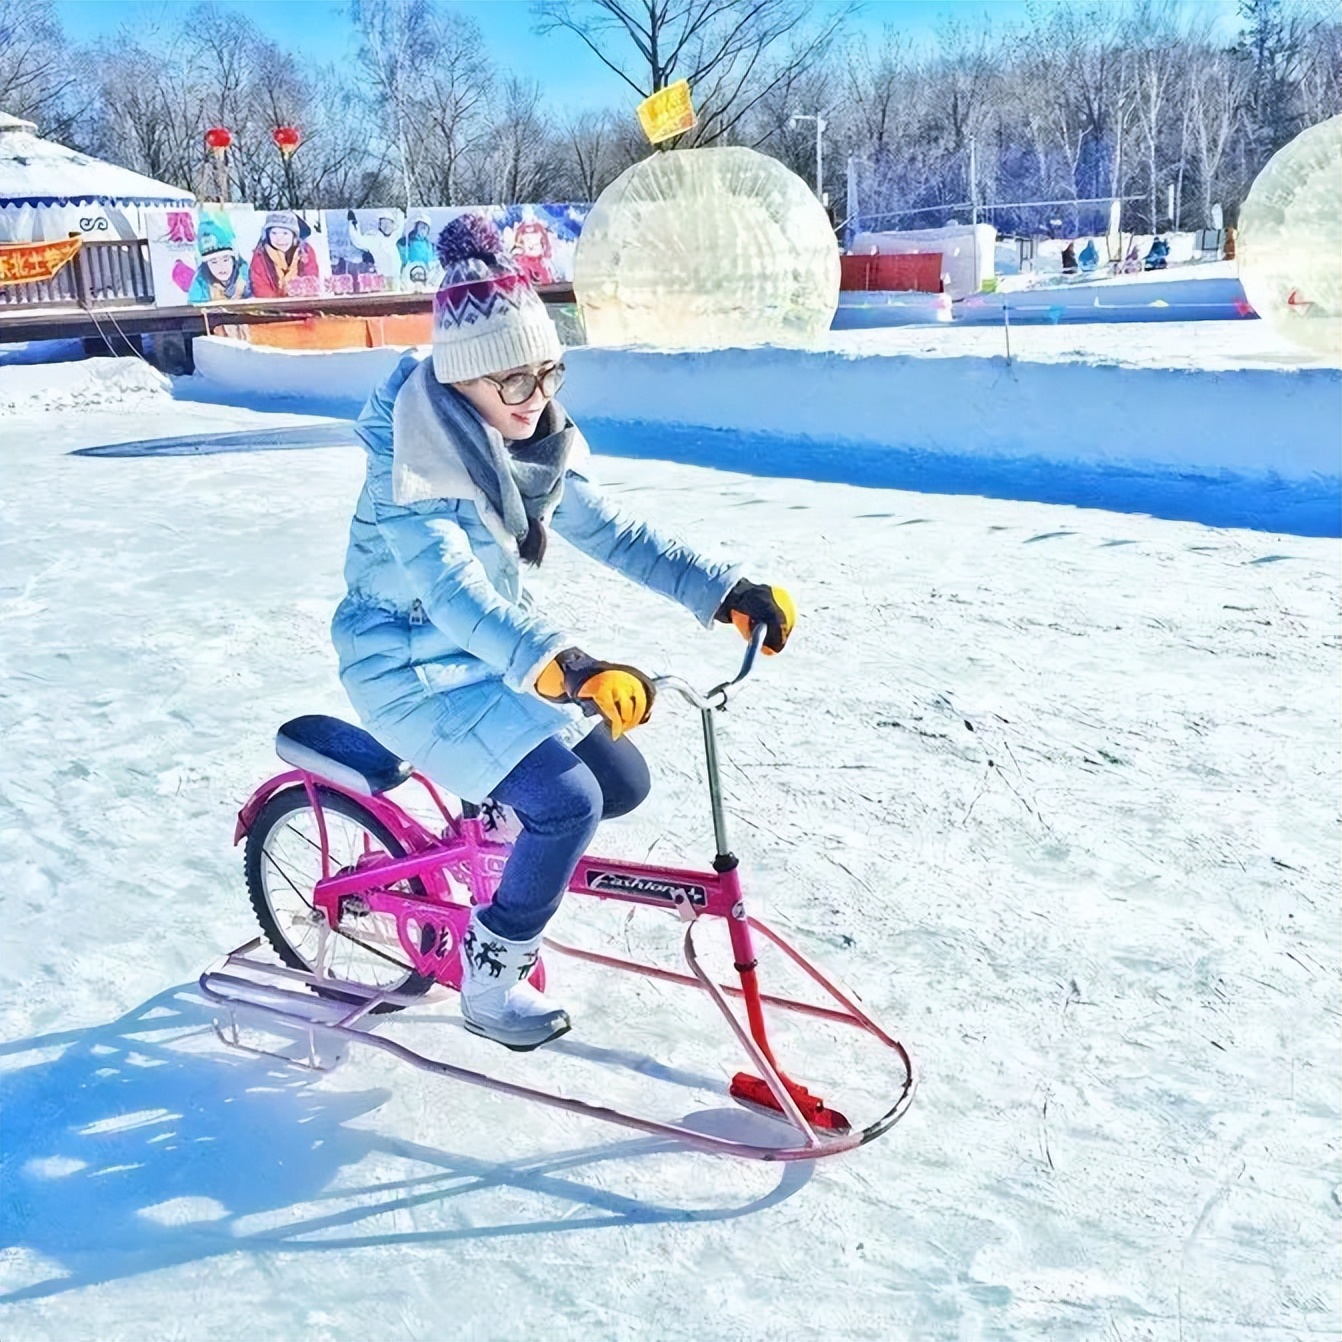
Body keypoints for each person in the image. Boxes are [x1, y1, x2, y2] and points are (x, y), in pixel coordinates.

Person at [331, 214, 794, 1051]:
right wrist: (566, 662)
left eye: (547, 373)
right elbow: (452, 591)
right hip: (406, 666)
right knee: (566, 802)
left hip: (484, 660)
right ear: (462, 379)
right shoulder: (412, 460)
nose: (536, 399)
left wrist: (723, 590)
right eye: (513, 381)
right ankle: (490, 975)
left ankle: (497, 842)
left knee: (620, 781)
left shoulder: (523, 439)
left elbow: (612, 530)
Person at [249, 210, 320, 298]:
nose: (279, 239)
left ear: (294, 236)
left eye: (285, 233)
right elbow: (261, 290)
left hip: (302, 306)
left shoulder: (306, 253)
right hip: (272, 308)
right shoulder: (260, 257)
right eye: (274, 233)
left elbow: (310, 283)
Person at [186, 221, 250, 303]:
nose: (221, 267)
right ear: (206, 265)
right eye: (214, 262)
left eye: (226, 259)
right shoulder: (200, 286)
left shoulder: (247, 276)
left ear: (234, 260)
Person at [346, 208, 402, 289]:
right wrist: (352, 223)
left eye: (389, 223)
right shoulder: (374, 240)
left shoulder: (393, 239)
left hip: (396, 280)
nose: (386, 226)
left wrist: (401, 211)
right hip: (382, 280)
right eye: (384, 223)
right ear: (379, 225)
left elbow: (400, 224)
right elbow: (357, 240)